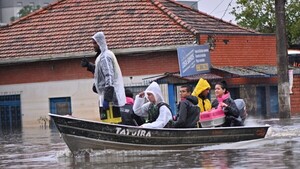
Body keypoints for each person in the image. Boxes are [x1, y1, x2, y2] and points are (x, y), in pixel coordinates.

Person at [92, 32, 126, 120]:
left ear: (100, 43)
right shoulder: (102, 56)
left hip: (111, 99)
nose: (93, 46)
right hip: (105, 96)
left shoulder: (105, 57)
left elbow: (109, 76)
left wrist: (107, 99)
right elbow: (100, 74)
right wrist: (89, 67)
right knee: (105, 121)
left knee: (111, 121)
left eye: (95, 43)